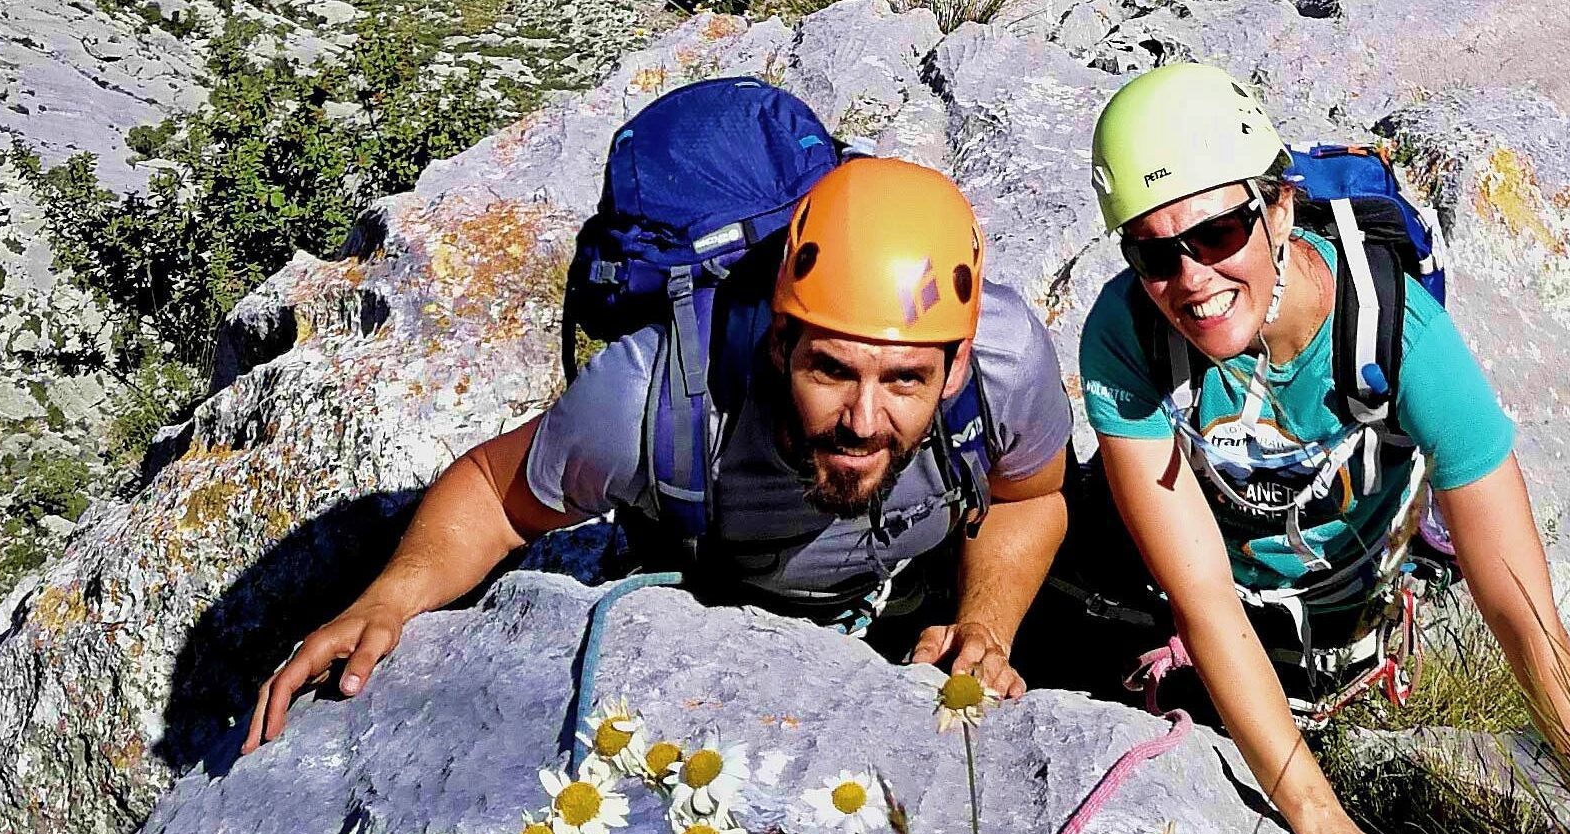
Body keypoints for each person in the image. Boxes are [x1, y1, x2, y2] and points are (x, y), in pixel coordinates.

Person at [1054, 62, 1570, 834]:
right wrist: (1319, 819)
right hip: (1213, 604)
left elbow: (1523, 612)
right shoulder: (1125, 337)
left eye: (1219, 232)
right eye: (1154, 250)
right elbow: (1204, 600)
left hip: (1340, 601)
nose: (1190, 279)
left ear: (1279, 211)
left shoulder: (1399, 331)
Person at [245, 157, 1071, 751]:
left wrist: (981, 627)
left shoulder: (1002, 366)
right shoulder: (653, 399)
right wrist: (388, 599)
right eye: (831, 369)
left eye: (905, 381)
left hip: (908, 594)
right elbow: (497, 496)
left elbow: (1028, 499)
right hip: (721, 611)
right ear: (782, 341)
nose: (862, 418)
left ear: (955, 363)